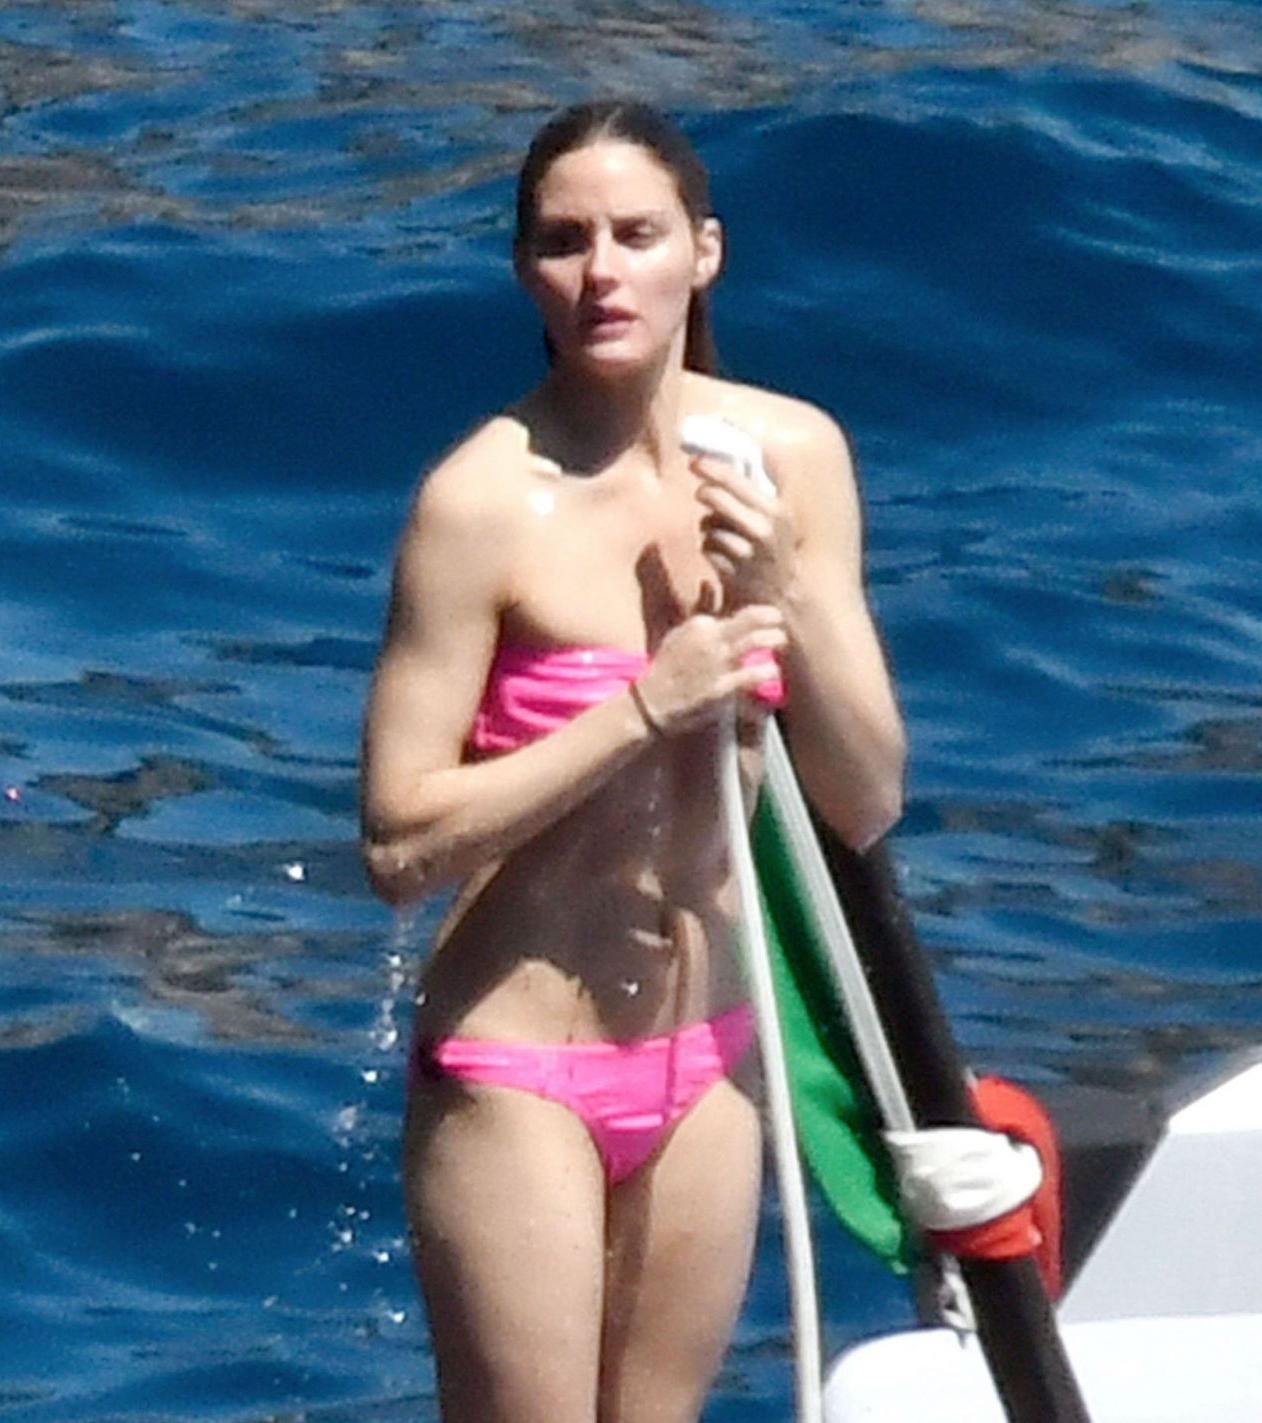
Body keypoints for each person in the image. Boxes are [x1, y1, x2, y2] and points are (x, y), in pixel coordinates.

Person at [360, 99, 905, 1423]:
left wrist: (790, 593)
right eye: (564, 242)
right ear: (523, 271)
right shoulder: (481, 502)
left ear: (703, 252)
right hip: (515, 1068)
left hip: (702, 1057)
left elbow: (867, 796)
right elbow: (398, 844)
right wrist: (643, 713)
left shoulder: (795, 460)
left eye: (637, 235)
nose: (602, 272)